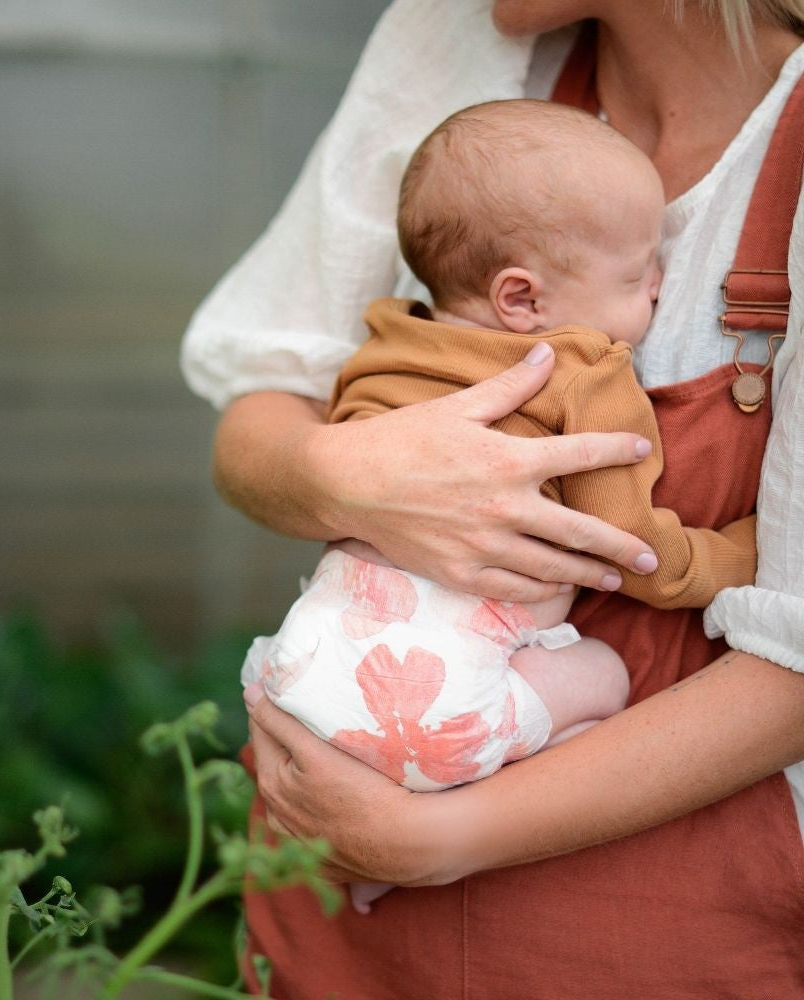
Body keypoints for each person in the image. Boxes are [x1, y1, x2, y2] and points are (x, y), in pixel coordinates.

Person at [181, 1, 804, 996]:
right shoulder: (461, 33)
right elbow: (255, 410)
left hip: (642, 932)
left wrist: (422, 835)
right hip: (337, 905)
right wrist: (353, 478)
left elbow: (797, 666)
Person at [240, 99, 758, 912]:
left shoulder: (387, 340)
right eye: (638, 273)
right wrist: (740, 554)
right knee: (606, 676)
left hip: (299, 681)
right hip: (441, 709)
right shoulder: (582, 373)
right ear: (522, 301)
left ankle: (377, 848)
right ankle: (433, 811)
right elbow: (633, 551)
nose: (660, 283)